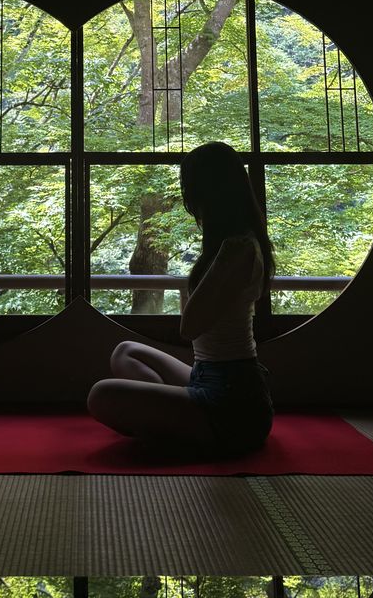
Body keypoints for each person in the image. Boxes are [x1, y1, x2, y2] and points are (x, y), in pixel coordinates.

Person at [87, 141, 275, 458]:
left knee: (100, 395)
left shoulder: (236, 249)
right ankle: (171, 420)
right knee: (126, 352)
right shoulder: (234, 244)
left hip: (234, 404)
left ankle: (173, 426)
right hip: (208, 374)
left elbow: (189, 326)